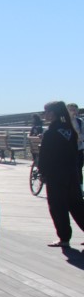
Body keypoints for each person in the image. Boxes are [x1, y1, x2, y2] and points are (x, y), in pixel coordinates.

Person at [38, 100, 84, 247]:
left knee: (58, 207)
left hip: (56, 175)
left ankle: (64, 238)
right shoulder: (70, 130)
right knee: (77, 205)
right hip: (72, 173)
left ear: (52, 114)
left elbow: (45, 156)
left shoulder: (51, 133)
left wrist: (42, 172)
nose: (44, 115)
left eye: (46, 112)